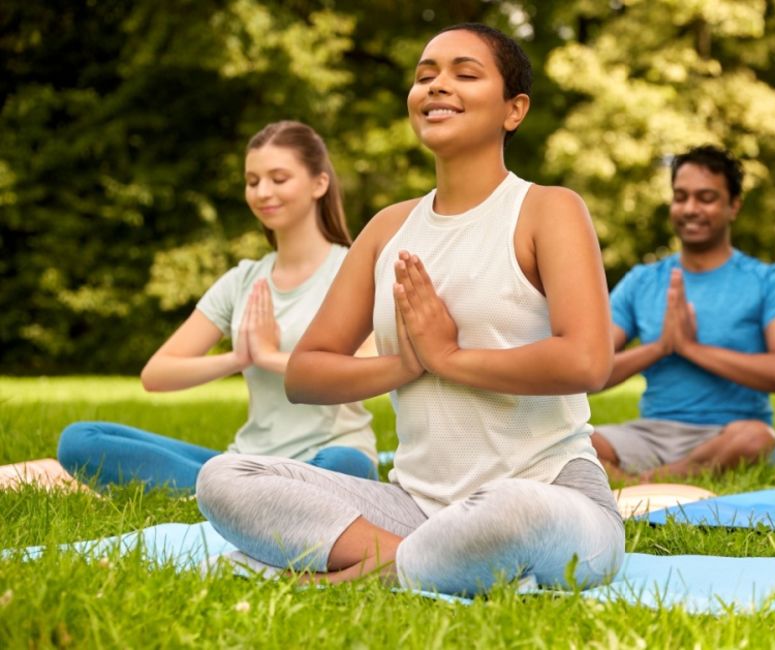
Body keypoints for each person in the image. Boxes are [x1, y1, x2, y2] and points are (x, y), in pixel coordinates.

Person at [194, 24, 624, 595]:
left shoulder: (547, 210)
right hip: (417, 506)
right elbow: (306, 374)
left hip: (548, 493)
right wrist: (406, 365)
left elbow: (588, 361)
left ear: (513, 110)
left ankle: (340, 576)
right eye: (425, 77)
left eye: (464, 74)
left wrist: (447, 356)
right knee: (225, 477)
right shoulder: (389, 229)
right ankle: (413, 562)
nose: (437, 86)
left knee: (514, 511)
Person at [46, 121, 379, 492]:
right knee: (81, 439)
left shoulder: (352, 270)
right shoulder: (243, 280)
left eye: (278, 178)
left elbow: (367, 373)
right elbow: (156, 374)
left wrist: (270, 356)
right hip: (245, 460)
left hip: (328, 457)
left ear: (319, 183)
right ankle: (240, 491)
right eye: (252, 181)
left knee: (346, 464)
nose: (262, 192)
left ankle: (226, 493)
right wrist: (238, 358)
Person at [590, 146, 775, 481]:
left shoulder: (767, 281)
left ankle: (644, 483)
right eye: (680, 197)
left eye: (706, 198)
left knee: (758, 440)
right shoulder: (642, 281)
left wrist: (693, 350)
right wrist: (659, 348)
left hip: (728, 436)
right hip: (649, 434)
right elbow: (589, 370)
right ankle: (664, 479)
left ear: (733, 206)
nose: (690, 208)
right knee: (572, 442)